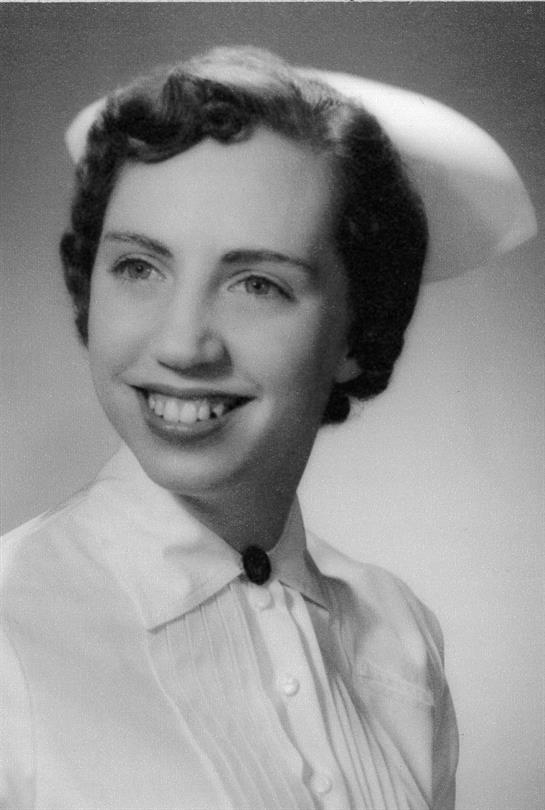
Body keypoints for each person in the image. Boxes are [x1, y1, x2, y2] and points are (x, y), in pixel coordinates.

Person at [1, 46, 461, 810]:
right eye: (140, 268)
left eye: (257, 284)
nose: (182, 345)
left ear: (356, 331)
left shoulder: (400, 634)